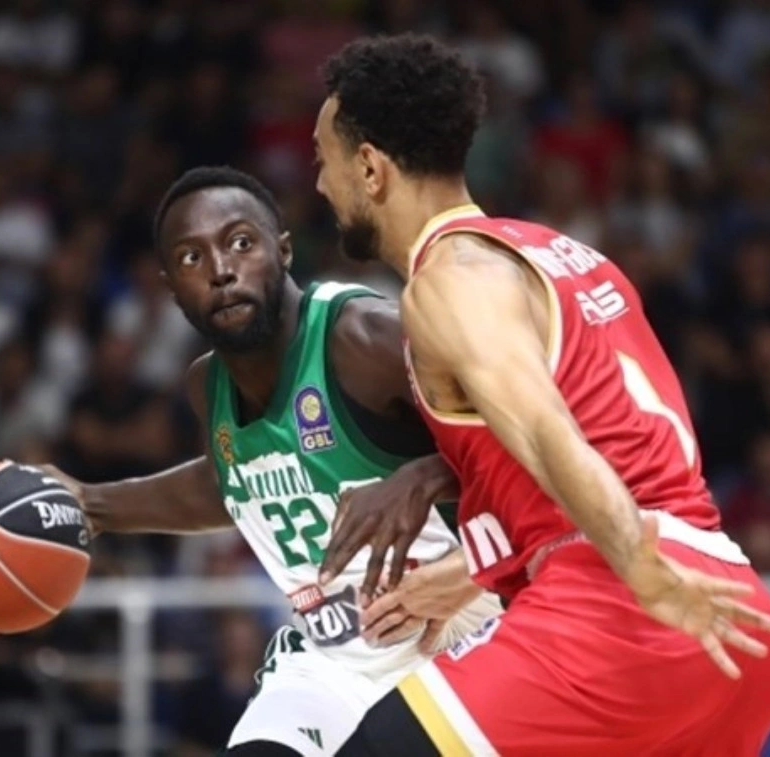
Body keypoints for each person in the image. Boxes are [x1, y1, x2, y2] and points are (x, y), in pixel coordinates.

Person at [311, 35, 770, 756]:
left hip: (624, 607)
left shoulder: (449, 280)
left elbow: (545, 429)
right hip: (730, 608)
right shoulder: (559, 254)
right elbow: (612, 442)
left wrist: (638, 568)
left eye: (325, 160)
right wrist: (476, 566)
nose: (320, 184)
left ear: (371, 168)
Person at [45, 166, 501, 756]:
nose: (220, 270)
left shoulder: (365, 339)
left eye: (240, 242)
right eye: (191, 258)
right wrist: (91, 504)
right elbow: (229, 486)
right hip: (333, 665)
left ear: (282, 250)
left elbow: (539, 446)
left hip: (462, 633)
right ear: (171, 287)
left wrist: (460, 551)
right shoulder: (206, 388)